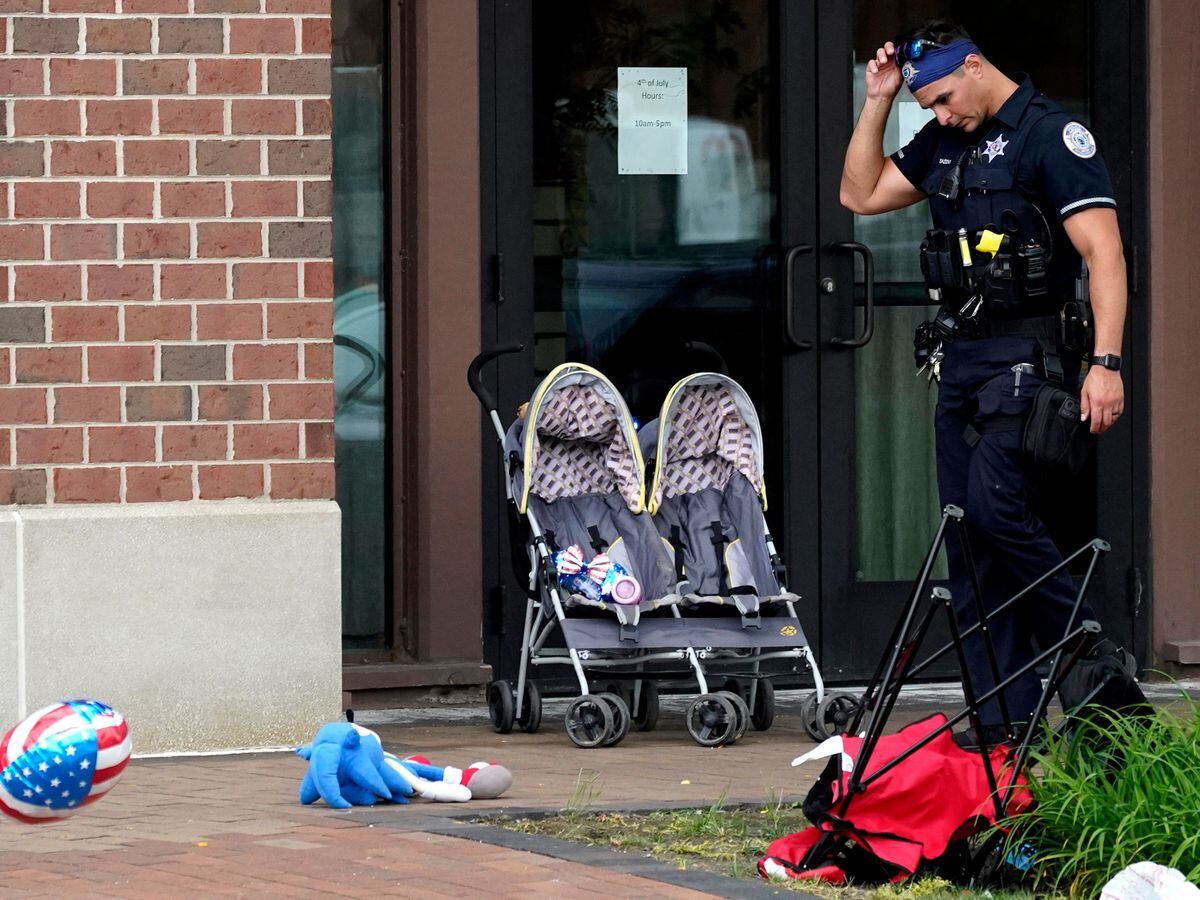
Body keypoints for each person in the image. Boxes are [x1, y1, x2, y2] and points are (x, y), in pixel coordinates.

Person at [839, 19, 1131, 743]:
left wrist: (1107, 362)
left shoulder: (1050, 136)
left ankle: (1091, 653)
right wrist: (878, 100)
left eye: (942, 97)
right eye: (926, 105)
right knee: (969, 546)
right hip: (963, 364)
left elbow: (1106, 256)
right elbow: (861, 195)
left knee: (997, 510)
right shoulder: (944, 139)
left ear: (974, 65)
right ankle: (1005, 729)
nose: (939, 115)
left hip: (1028, 362)